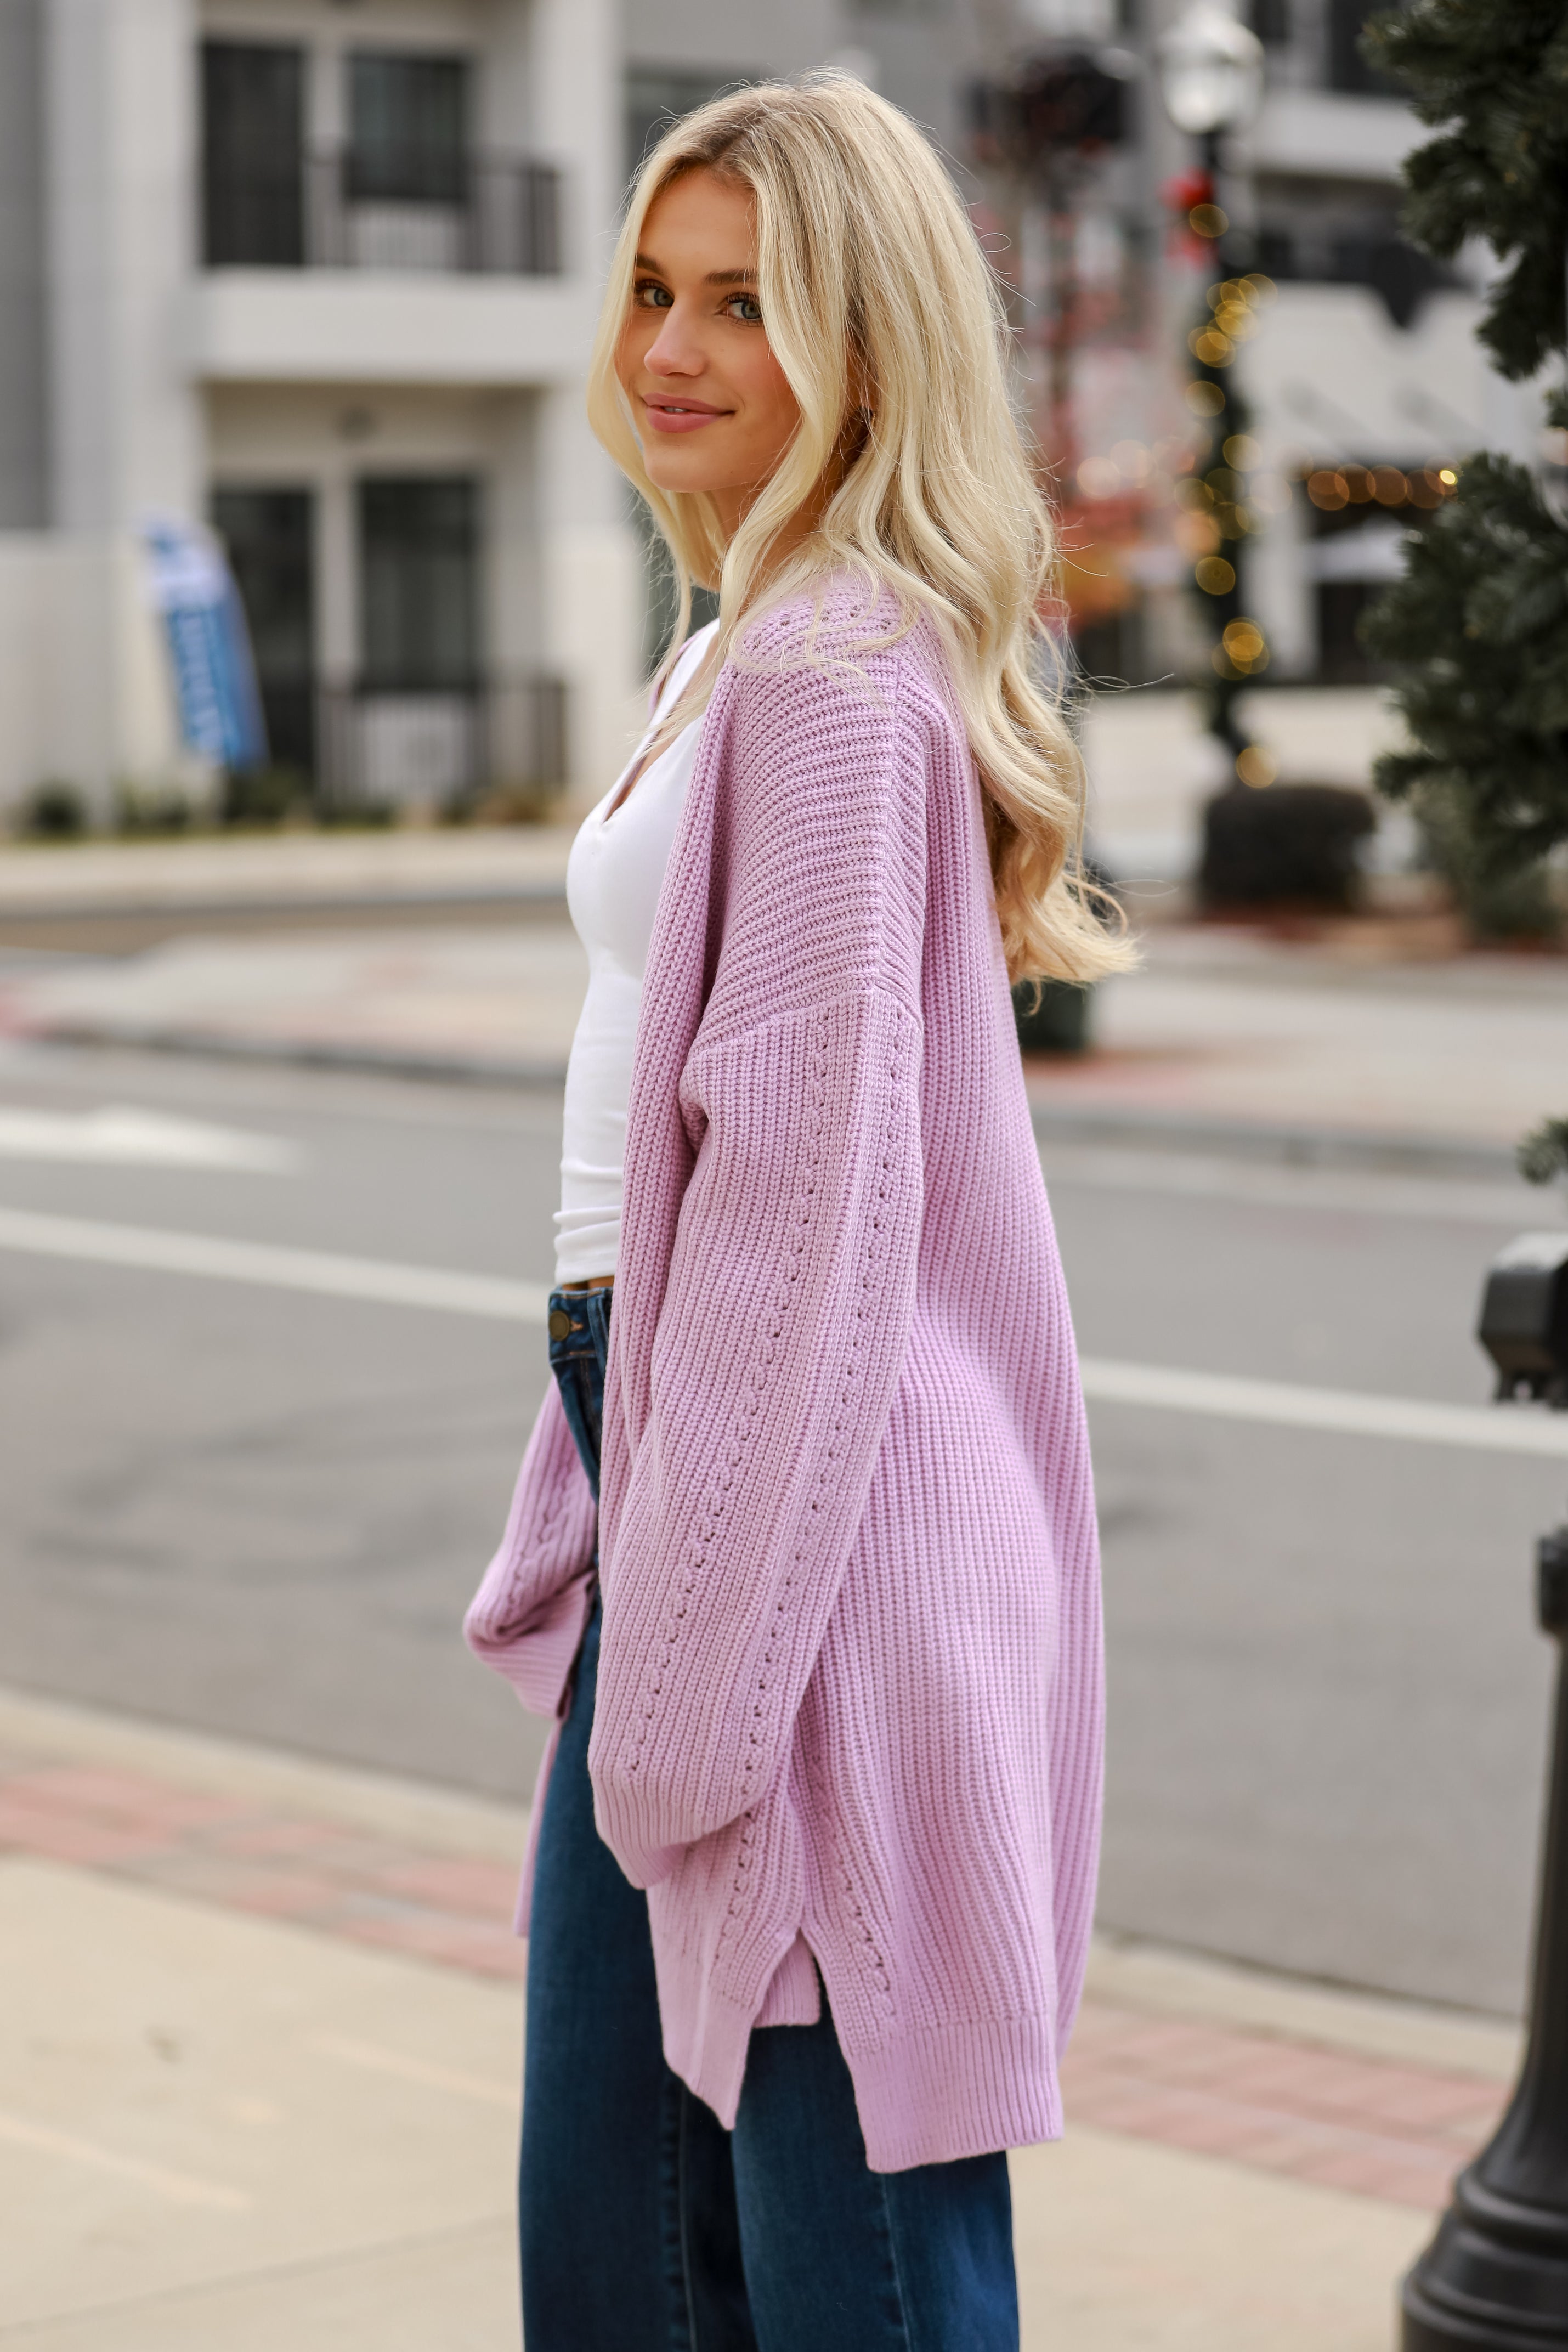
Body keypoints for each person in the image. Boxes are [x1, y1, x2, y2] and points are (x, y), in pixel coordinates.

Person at [465, 72, 1130, 2351]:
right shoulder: (744, 633)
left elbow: (793, 1223)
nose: (672, 345)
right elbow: (653, 1198)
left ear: (860, 341)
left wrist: (687, 1693)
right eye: (656, 285)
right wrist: (587, 1490)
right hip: (703, 1512)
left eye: (747, 304)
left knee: (834, 2268)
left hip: (803, 1568)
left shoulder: (838, 672)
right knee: (637, 2251)